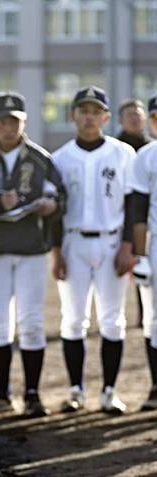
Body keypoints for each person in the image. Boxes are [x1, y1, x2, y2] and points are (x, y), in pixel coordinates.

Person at [51, 86, 137, 415]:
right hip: (73, 241)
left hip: (112, 240)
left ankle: (109, 391)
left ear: (106, 117)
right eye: (82, 110)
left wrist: (128, 246)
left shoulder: (122, 153)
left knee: (113, 320)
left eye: (95, 111)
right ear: (72, 115)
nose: (89, 116)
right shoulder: (59, 157)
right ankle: (76, 390)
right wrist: (57, 251)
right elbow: (57, 211)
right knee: (73, 320)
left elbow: (132, 203)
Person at [0, 92, 65, 417]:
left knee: (31, 321)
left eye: (14, 120)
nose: (7, 126)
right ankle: (1, 394)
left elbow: (62, 199)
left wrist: (52, 206)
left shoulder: (41, 159)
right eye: (1, 120)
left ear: (24, 122)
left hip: (31, 249)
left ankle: (32, 394)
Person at [116, 99, 151, 329]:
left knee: (144, 266)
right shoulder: (115, 148)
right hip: (118, 215)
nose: (134, 118)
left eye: (138, 114)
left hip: (147, 218)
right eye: (129, 114)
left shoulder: (150, 148)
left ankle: (143, 312)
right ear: (120, 119)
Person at [129, 128, 157, 410]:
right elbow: (138, 209)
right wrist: (140, 254)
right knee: (155, 318)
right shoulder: (147, 156)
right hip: (156, 242)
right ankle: (156, 386)